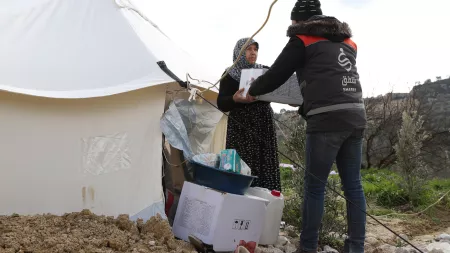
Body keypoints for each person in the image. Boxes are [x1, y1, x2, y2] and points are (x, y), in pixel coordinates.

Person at [246, 1, 367, 252]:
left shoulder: (302, 39)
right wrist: (304, 104)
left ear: (299, 21)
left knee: (315, 187)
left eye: (292, 23)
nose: (291, 27)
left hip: (326, 120)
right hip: (356, 116)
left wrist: (252, 91)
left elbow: (276, 75)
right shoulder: (348, 42)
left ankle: (308, 247)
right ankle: (356, 247)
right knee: (353, 185)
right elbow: (329, 78)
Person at [217, 38, 281, 192]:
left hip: (262, 124)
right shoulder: (229, 74)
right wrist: (234, 98)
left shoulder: (265, 72)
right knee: (242, 163)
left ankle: (265, 203)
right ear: (239, 52)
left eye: (255, 49)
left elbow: (279, 89)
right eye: (248, 49)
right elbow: (221, 103)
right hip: (241, 126)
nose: (253, 52)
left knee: (264, 162)